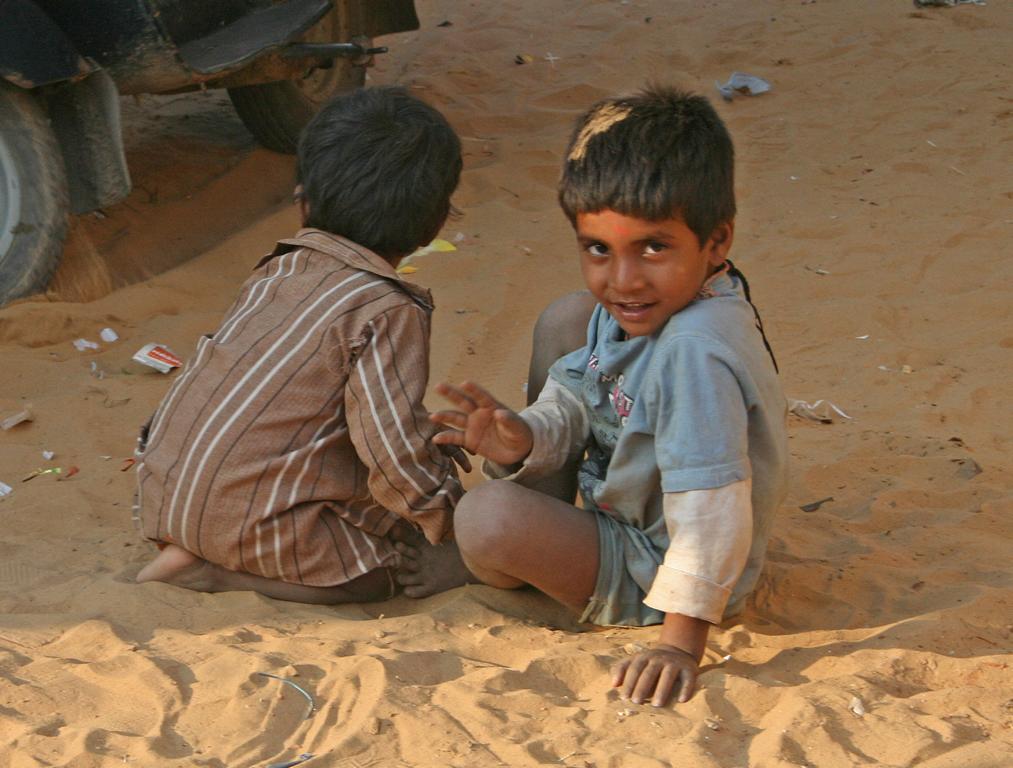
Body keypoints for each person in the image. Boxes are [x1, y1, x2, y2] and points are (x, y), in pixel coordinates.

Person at [412, 85, 789, 707]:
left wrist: (680, 641)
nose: (624, 279)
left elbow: (711, 509)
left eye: (654, 248)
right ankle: (545, 523)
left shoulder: (694, 354)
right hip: (630, 511)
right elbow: (585, 389)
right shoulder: (648, 303)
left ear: (716, 242)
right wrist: (525, 436)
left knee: (485, 518)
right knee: (568, 316)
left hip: (665, 571)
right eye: (598, 249)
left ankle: (547, 587)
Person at [132, 86, 472, 604]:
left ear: (302, 200)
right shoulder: (386, 309)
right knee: (382, 578)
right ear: (435, 223)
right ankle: (223, 576)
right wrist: (451, 525)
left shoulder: (279, 269)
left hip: (164, 497)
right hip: (251, 522)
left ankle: (195, 548)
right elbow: (392, 448)